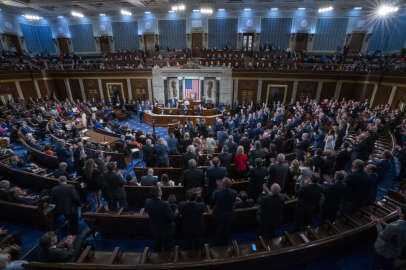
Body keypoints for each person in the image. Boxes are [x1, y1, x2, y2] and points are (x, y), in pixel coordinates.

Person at [372, 206, 406, 270]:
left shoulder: (393, 227)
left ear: (402, 214)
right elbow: (397, 231)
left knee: (376, 265)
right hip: (396, 251)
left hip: (384, 252)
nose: (397, 208)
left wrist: (377, 223)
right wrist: (384, 223)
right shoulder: (396, 226)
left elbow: (382, 236)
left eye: (400, 209)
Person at [145, 186, 175, 251]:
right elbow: (171, 218)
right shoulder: (165, 204)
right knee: (168, 246)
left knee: (157, 244)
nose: (162, 191)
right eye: (160, 190)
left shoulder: (147, 202)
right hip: (165, 229)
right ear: (159, 193)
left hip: (154, 227)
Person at [212, 178, 237, 246]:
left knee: (219, 230)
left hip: (219, 213)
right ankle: (225, 242)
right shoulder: (234, 192)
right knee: (227, 229)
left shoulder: (217, 192)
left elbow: (213, 199)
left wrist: (218, 187)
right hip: (229, 214)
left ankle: (218, 244)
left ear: (222, 184)